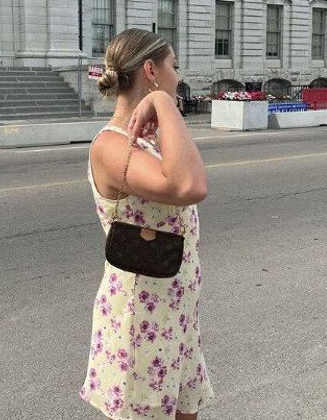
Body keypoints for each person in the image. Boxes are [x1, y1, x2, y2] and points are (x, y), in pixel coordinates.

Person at [79, 28, 213, 419]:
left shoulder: (149, 140)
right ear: (151, 70)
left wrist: (161, 113)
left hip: (177, 311)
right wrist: (163, 103)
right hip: (142, 319)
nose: (179, 76)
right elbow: (189, 185)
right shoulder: (110, 146)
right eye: (175, 66)